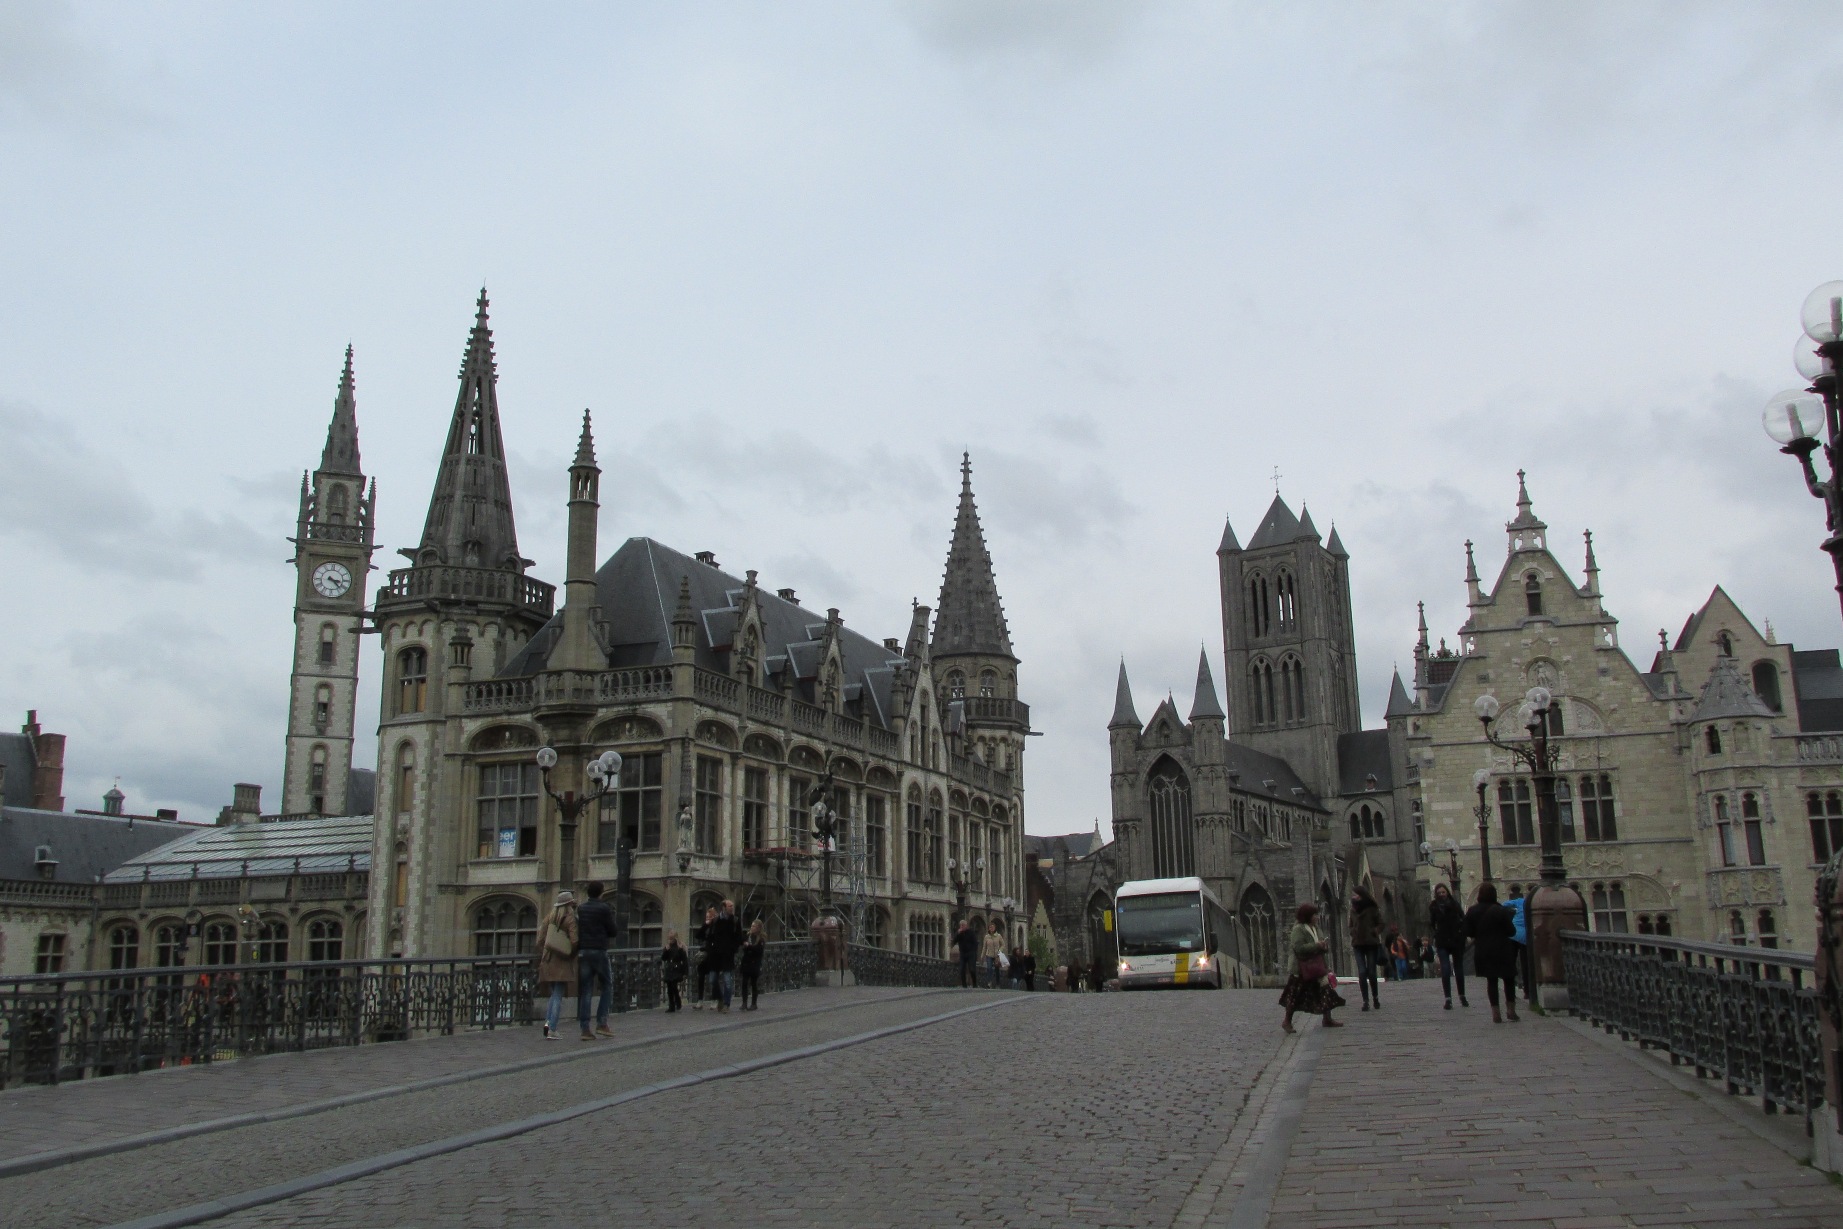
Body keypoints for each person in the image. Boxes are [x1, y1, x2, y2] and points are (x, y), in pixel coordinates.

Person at [1279, 902, 1345, 1032]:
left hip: (1317, 966)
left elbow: (1320, 944)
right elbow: (1298, 948)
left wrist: (1324, 946)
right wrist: (1317, 945)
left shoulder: (1316, 928)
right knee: (1295, 995)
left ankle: (1327, 1018)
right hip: (1302, 968)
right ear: (1307, 916)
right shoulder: (1298, 929)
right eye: (1314, 915)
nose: (1317, 917)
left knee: (1325, 990)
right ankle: (1287, 1021)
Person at [1465, 882, 1520, 1023]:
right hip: (1503, 949)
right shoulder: (1501, 910)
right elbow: (1511, 931)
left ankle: (1496, 1013)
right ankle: (1511, 1010)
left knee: (1492, 981)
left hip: (1483, 949)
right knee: (1508, 979)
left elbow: (1468, 931)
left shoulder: (1472, 911)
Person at [575, 881, 617, 1040]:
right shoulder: (604, 908)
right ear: (601, 892)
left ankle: (585, 1029)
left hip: (584, 951)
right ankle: (602, 1023)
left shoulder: (581, 908)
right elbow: (613, 931)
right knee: (607, 985)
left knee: (586, 989)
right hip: (599, 950)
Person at [534, 890, 578, 1039]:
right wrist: (570, 954)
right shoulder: (569, 919)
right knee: (558, 995)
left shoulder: (549, 918)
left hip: (548, 960)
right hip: (562, 961)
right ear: (569, 905)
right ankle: (552, 1028)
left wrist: (547, 952)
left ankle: (547, 1027)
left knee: (553, 995)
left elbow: (540, 941)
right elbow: (574, 941)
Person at [1428, 882, 1469, 1009]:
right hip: (1442, 940)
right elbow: (1432, 923)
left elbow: (1463, 918)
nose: (1441, 894)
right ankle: (1448, 998)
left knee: (1458, 968)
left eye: (1443, 892)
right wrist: (1436, 933)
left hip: (1456, 939)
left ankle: (1462, 995)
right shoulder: (1434, 906)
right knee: (1445, 969)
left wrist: (1461, 933)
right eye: (1439, 893)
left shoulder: (1454, 904)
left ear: (1447, 892)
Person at [1350, 885, 1384, 1010]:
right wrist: (1353, 932)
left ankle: (1375, 997)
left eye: (1355, 894)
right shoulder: (1353, 909)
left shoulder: (1372, 908)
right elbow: (1350, 924)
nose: (1353, 897)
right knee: (1362, 972)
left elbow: (1381, 924)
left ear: (1361, 895)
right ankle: (1365, 1000)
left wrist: (1374, 931)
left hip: (1371, 943)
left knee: (1371, 972)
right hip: (1357, 944)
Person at [707, 899, 743, 1013]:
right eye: (729, 906)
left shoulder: (735, 921)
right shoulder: (716, 920)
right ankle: (720, 998)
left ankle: (727, 1004)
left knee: (727, 980)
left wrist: (733, 948)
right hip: (716, 954)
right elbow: (710, 936)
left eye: (732, 906)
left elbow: (739, 937)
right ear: (723, 908)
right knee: (712, 979)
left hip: (728, 955)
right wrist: (711, 949)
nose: (732, 908)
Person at [737, 919, 766, 1011]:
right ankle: (744, 1003)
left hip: (754, 963)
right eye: (751, 926)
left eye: (754, 926)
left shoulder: (761, 939)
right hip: (746, 962)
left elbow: (758, 950)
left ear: (758, 928)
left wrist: (749, 946)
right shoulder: (748, 936)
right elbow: (741, 941)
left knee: (753, 983)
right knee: (744, 983)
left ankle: (754, 1003)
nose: (752, 928)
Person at [692, 906, 718, 1009]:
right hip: (704, 955)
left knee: (713, 979)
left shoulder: (716, 927)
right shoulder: (705, 926)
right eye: (706, 917)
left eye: (709, 917)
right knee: (701, 977)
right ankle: (700, 1000)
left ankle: (714, 1000)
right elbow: (698, 936)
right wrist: (705, 925)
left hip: (713, 955)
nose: (707, 919)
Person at [660, 930, 689, 1013]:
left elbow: (684, 960)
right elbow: (664, 958)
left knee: (673, 986)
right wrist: (666, 950)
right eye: (669, 938)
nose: (670, 940)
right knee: (669, 988)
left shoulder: (679, 946)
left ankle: (677, 1001)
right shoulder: (668, 946)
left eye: (672, 938)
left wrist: (685, 972)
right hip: (669, 969)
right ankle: (671, 1006)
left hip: (676, 969)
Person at [953, 920, 980, 988]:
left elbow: (975, 943)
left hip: (971, 953)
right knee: (962, 969)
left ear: (966, 926)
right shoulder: (959, 933)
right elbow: (954, 941)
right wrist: (957, 933)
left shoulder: (971, 932)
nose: (962, 926)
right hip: (963, 953)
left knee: (972, 969)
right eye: (961, 925)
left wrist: (973, 951)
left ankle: (974, 984)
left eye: (963, 925)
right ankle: (964, 985)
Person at [981, 922, 1005, 988]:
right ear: (988, 928)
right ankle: (989, 983)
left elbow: (1003, 945)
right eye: (990, 927)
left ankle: (998, 983)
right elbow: (984, 947)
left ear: (995, 928)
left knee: (997, 969)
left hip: (996, 956)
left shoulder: (998, 936)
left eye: (992, 927)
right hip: (989, 955)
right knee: (989, 968)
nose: (991, 928)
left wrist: (999, 951)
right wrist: (982, 955)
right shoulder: (986, 937)